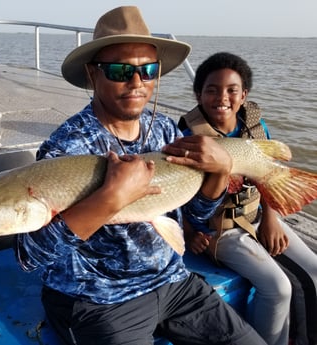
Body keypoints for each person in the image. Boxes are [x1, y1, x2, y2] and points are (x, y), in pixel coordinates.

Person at [14, 7, 267, 345]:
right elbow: (30, 255)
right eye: (120, 70)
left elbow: (197, 217)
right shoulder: (68, 147)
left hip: (173, 281)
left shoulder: (164, 130)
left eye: (147, 70)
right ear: (92, 75)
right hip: (100, 300)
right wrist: (110, 199)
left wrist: (219, 173)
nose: (136, 82)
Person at [178, 52, 317, 345]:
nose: (222, 98)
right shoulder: (188, 136)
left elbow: (267, 175)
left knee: (314, 269)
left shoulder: (255, 127)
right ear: (198, 94)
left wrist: (271, 219)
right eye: (211, 90)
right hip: (219, 230)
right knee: (277, 287)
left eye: (231, 90)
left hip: (257, 214)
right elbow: (175, 193)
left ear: (244, 95)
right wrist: (190, 233)